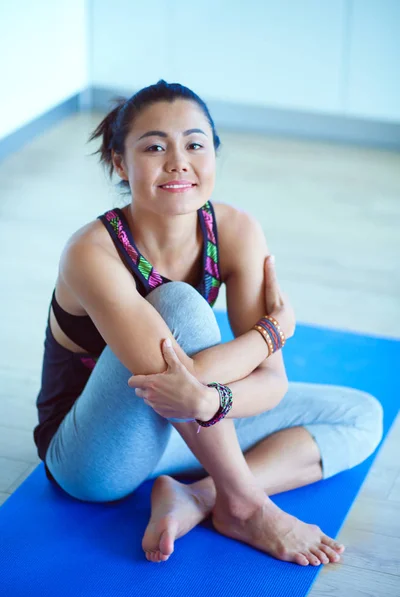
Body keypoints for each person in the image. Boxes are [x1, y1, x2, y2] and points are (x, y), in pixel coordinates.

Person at [34, 80, 383, 567]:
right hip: (95, 458)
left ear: (213, 155)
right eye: (155, 146)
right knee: (179, 305)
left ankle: (198, 497)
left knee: (360, 415)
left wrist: (208, 400)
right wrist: (271, 334)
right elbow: (173, 378)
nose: (178, 161)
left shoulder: (236, 231)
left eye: (195, 144)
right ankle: (244, 503)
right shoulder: (91, 252)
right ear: (119, 162)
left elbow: (271, 385)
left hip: (188, 427)